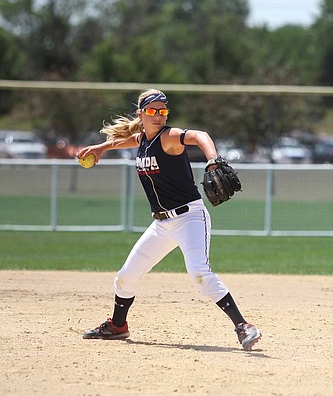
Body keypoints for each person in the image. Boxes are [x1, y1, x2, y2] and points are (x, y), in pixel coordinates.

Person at [77, 89, 261, 351]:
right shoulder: (143, 140)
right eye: (152, 110)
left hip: (190, 218)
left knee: (199, 272)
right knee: (125, 277)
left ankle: (243, 326)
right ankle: (118, 326)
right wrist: (102, 148)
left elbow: (199, 136)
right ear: (141, 113)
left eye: (162, 111)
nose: (158, 115)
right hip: (162, 224)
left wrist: (213, 160)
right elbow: (128, 140)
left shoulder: (169, 137)